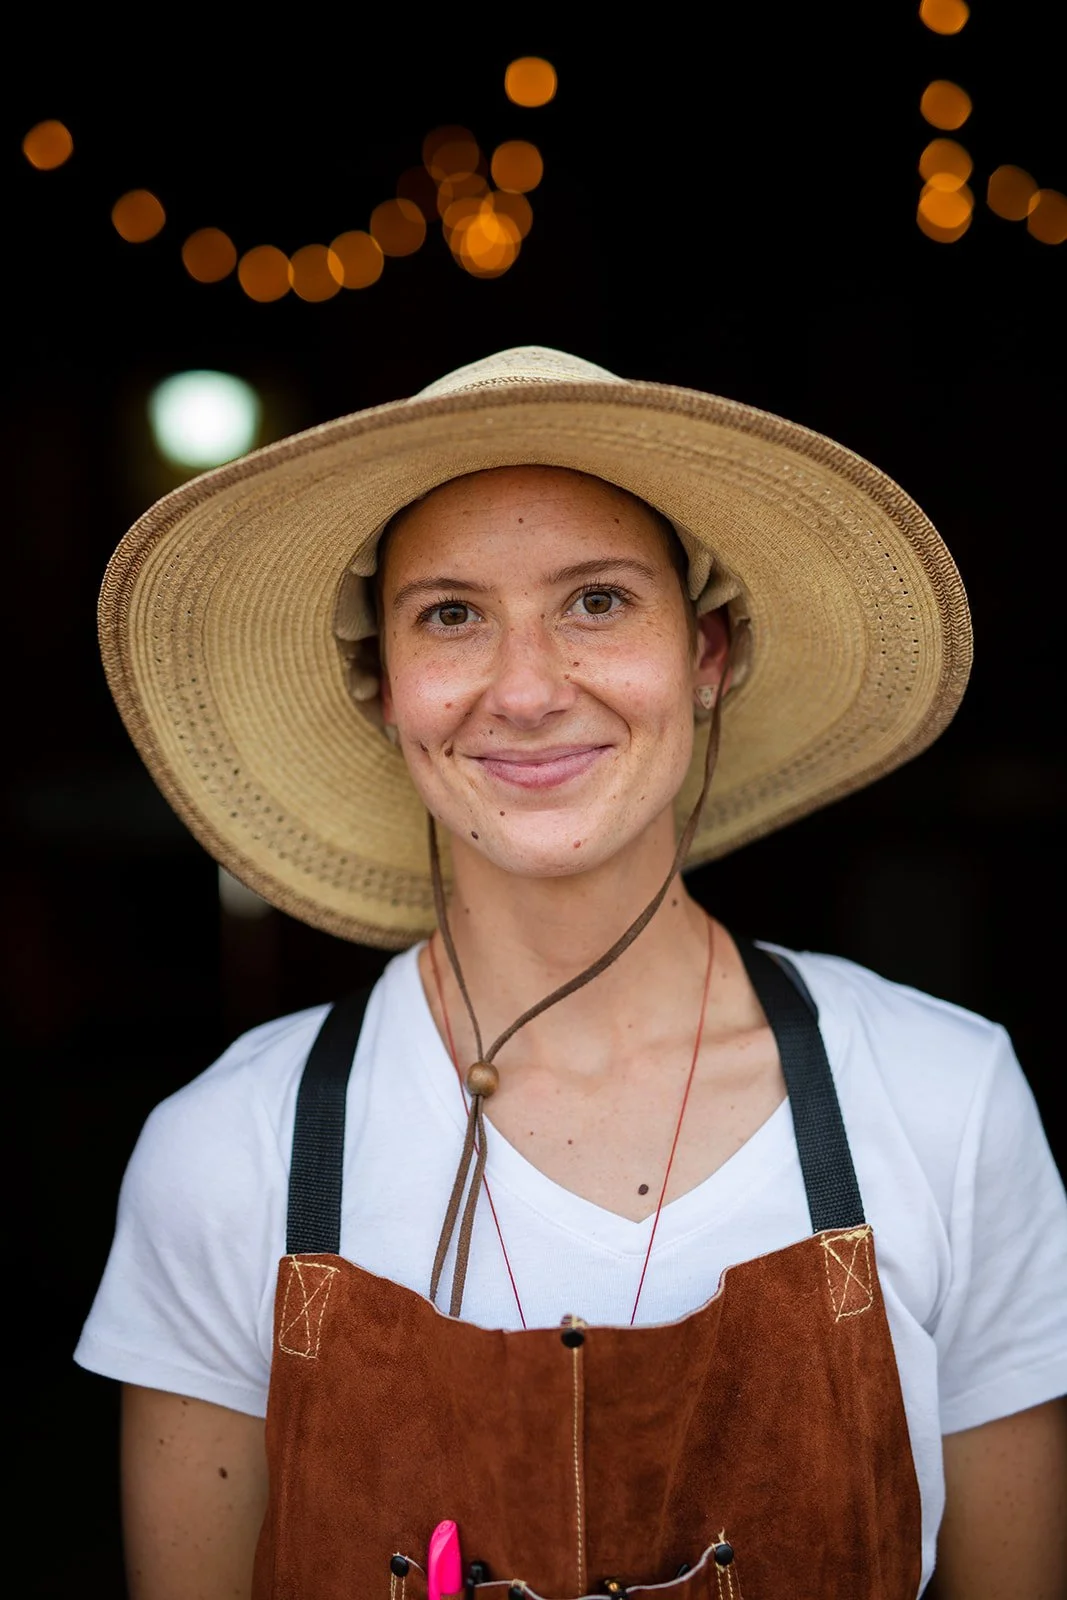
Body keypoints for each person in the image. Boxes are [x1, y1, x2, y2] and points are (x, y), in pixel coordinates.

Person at [76, 345, 1067, 1600]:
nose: (528, 688)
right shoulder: (231, 1152)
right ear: (384, 688)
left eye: (596, 600)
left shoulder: (943, 1098)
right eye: (450, 614)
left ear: (705, 654)